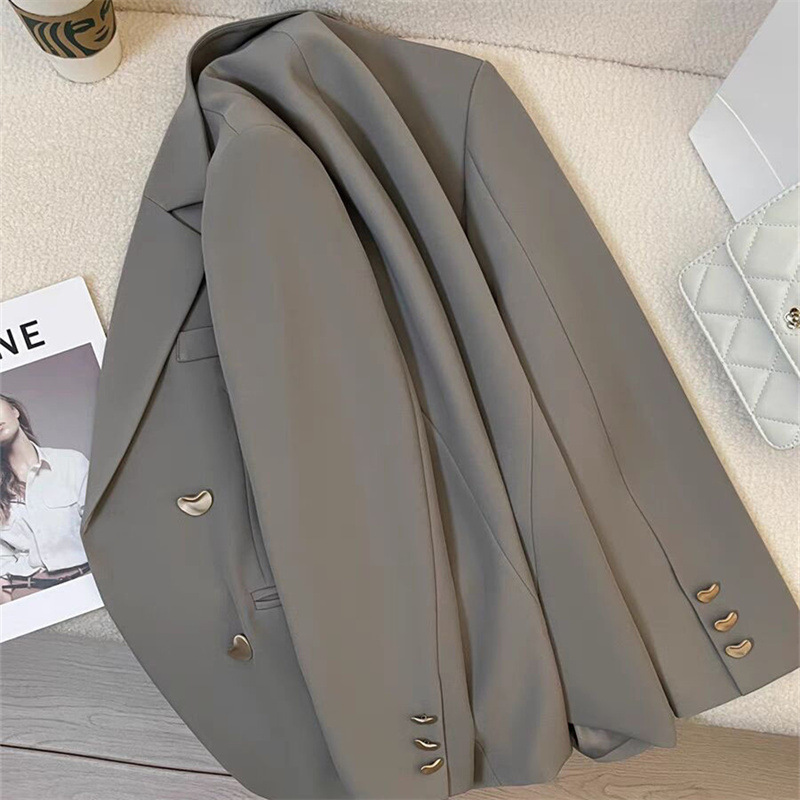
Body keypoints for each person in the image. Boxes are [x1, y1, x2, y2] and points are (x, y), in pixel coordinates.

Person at [0, 393, 91, 603]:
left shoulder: (71, 463)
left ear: (14, 410)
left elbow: (102, 530)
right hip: (27, 592)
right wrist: (8, 597)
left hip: (87, 582)